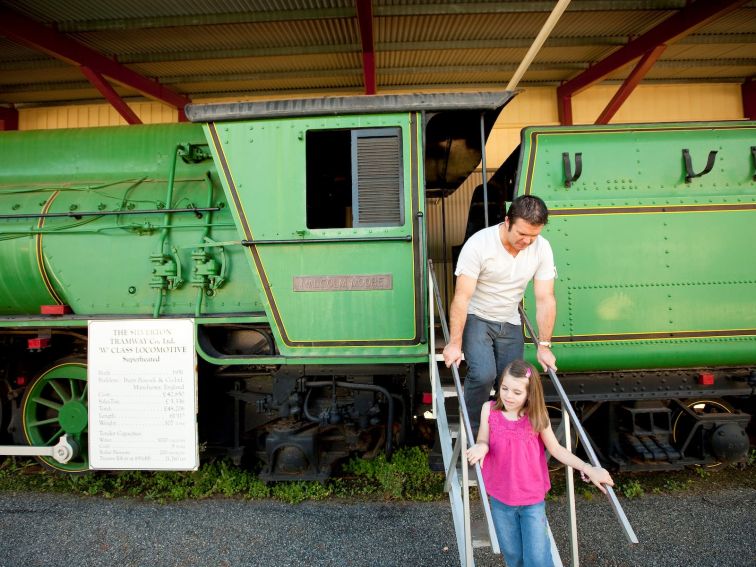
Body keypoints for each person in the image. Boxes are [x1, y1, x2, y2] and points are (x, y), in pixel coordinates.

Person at [466, 360, 614, 567]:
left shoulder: (536, 415)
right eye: (504, 388)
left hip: (531, 500)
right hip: (501, 498)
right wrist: (481, 446)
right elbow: (483, 439)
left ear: (529, 394)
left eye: (517, 392)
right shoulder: (488, 410)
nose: (508, 396)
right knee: (513, 557)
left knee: (537, 559)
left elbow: (556, 449)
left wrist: (588, 467)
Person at [442, 194, 557, 434]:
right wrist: (454, 343)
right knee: (484, 375)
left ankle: (503, 431)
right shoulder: (479, 245)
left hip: (510, 321)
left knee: (513, 383)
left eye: (533, 236)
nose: (527, 241)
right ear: (507, 222)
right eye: (522, 234)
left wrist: (544, 345)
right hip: (478, 317)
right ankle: (473, 432)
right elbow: (461, 297)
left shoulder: (542, 248)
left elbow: (545, 298)